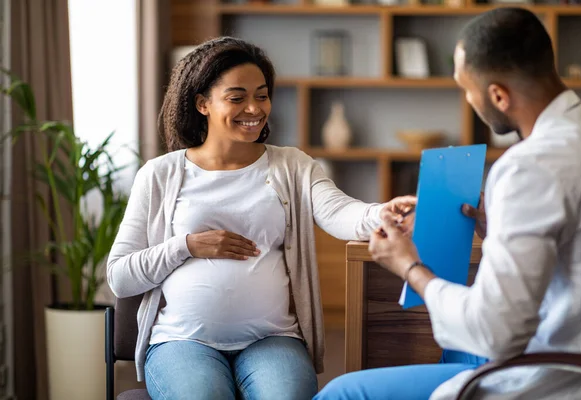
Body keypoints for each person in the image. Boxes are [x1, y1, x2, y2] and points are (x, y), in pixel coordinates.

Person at [315, 7, 581, 400]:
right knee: (455, 349)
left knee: (343, 393)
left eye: (467, 89)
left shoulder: (527, 167)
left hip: (563, 372)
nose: (468, 100)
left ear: (498, 95)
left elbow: (494, 331)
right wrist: (497, 226)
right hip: (579, 335)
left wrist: (409, 266)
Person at [107, 36, 409, 400]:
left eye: (261, 95)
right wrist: (185, 246)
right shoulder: (160, 175)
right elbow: (120, 277)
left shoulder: (292, 165)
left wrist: (383, 212)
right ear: (202, 103)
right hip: (182, 340)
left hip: (271, 338)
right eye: (237, 98)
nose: (254, 108)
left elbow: (340, 211)